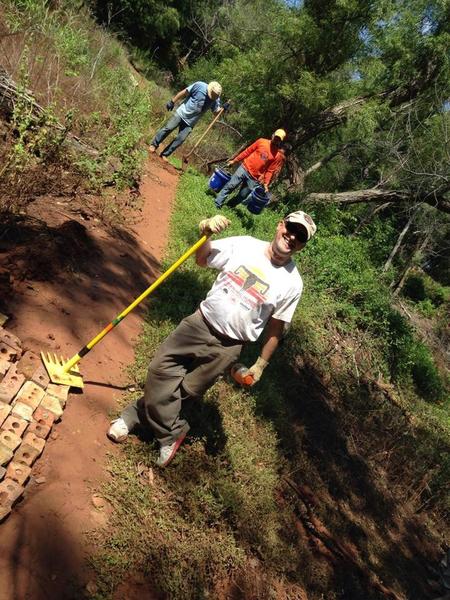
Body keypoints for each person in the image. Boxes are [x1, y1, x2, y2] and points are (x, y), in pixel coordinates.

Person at [107, 210, 317, 467]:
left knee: (186, 391)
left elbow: (276, 327)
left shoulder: (293, 284)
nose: (292, 236)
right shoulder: (245, 245)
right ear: (280, 225)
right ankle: (173, 431)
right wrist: (205, 233)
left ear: (303, 246)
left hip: (229, 346)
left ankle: (133, 416)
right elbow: (202, 259)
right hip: (200, 324)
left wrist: (261, 364)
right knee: (160, 371)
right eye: (291, 228)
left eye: (300, 236)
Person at [150, 81, 227, 161]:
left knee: (180, 139)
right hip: (182, 113)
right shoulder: (199, 86)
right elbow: (184, 92)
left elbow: (215, 113)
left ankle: (165, 154)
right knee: (168, 128)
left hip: (191, 122)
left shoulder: (215, 99)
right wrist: (172, 101)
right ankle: (154, 145)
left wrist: (223, 109)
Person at [215, 129, 287, 209]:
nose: (276, 139)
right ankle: (217, 204)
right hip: (245, 167)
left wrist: (266, 184)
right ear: (273, 135)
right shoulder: (261, 141)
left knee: (243, 195)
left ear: (280, 141)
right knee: (230, 186)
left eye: (279, 139)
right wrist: (235, 161)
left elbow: (270, 171)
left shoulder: (277, 155)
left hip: (254, 178)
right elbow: (247, 151)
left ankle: (229, 206)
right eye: (276, 137)